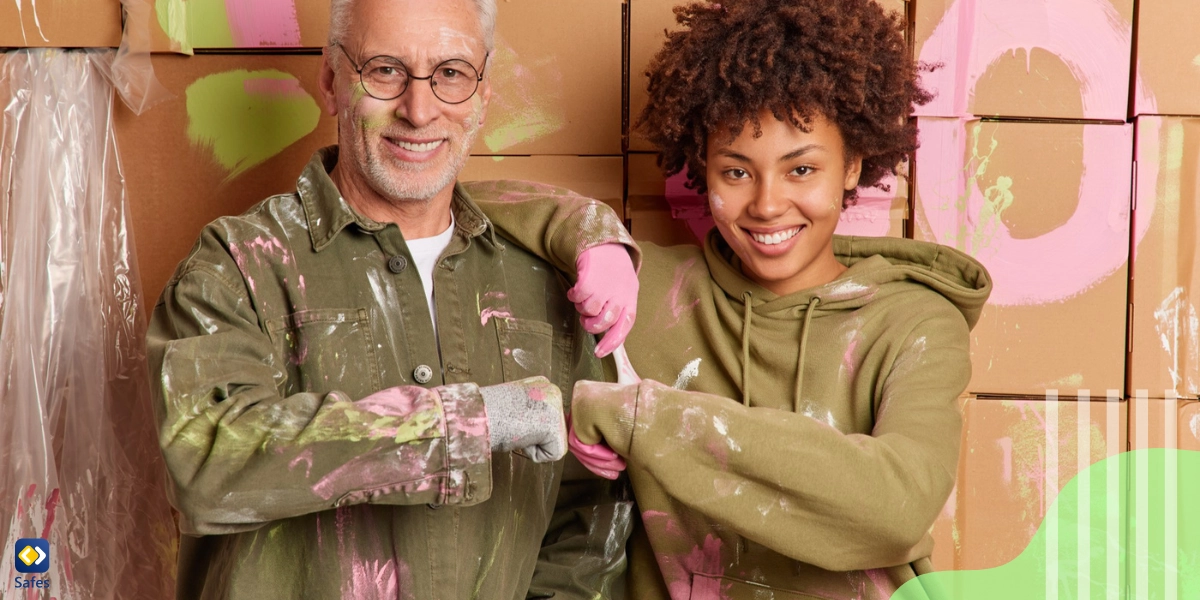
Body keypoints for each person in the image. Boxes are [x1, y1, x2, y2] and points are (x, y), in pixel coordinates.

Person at [471, 0, 994, 597]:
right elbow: (442, 202)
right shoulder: (650, 299)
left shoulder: (915, 322)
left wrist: (645, 419)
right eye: (737, 172)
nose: (767, 205)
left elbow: (897, 509)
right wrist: (592, 235)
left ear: (852, 165)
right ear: (702, 169)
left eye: (801, 170)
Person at [145, 0, 641, 597]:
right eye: (385, 70)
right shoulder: (236, 267)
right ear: (331, 80)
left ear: (483, 94)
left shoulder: (545, 285)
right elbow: (207, 463)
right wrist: (473, 422)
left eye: (451, 73)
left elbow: (590, 524)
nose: (419, 109)